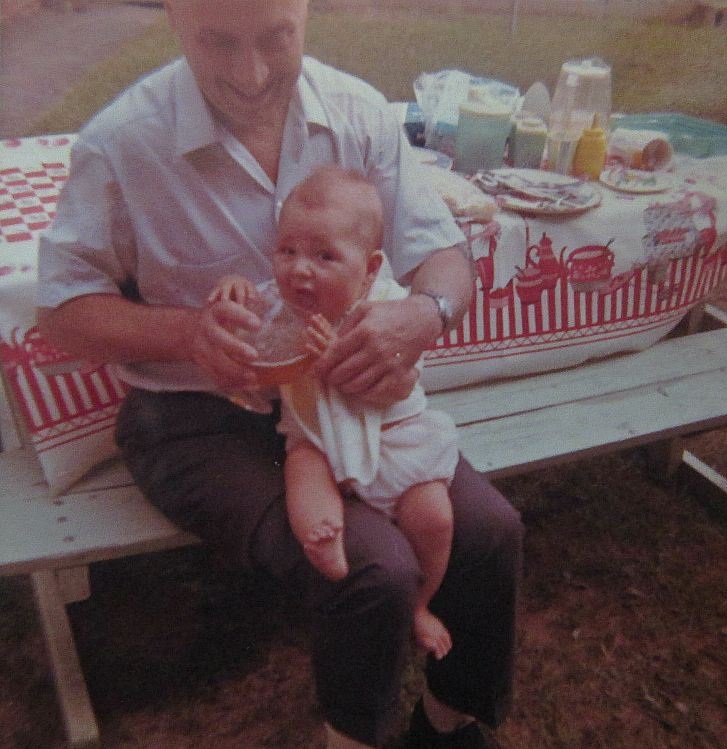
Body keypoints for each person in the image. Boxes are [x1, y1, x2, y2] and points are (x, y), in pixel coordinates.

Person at [36, 1, 524, 747]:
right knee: (373, 568)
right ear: (174, 20)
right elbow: (62, 313)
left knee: (488, 531)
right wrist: (188, 332)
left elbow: (443, 254)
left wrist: (424, 313)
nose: (252, 74)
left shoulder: (357, 113)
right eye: (217, 42)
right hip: (195, 420)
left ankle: (449, 722)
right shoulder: (122, 142)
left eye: (276, 39)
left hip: (339, 397)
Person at [209, 166, 460, 661]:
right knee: (302, 468)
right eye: (288, 251)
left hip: (394, 441)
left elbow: (400, 385)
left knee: (434, 518)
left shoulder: (386, 310)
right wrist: (236, 291)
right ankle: (323, 538)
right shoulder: (282, 307)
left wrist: (335, 359)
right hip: (317, 440)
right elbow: (255, 351)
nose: (300, 270)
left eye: (325, 256)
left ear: (369, 268)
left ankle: (421, 603)